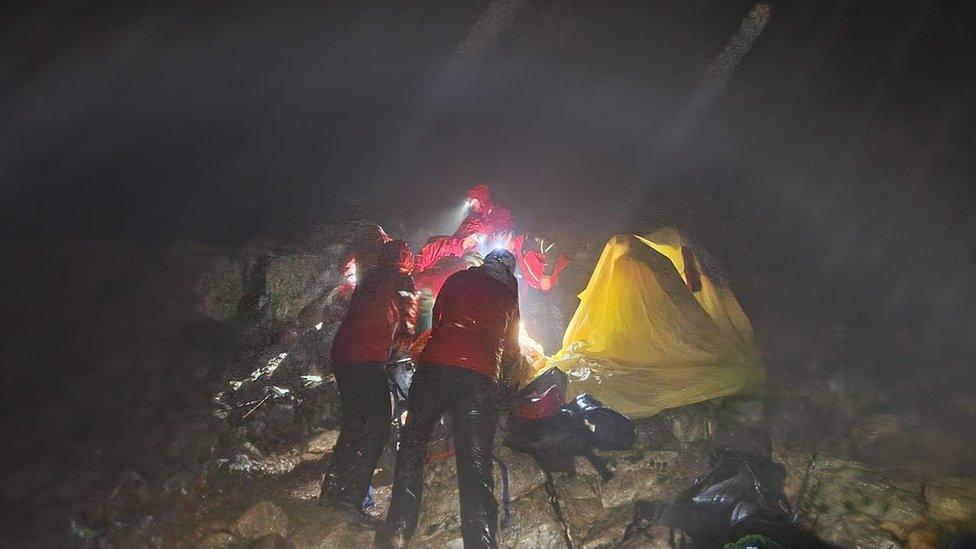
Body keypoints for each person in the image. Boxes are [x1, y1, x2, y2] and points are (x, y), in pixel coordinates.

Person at [377, 249, 522, 549]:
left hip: (436, 368)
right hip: (478, 377)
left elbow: (438, 317)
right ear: (509, 272)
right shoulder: (507, 295)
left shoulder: (458, 278)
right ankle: (480, 542)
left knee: (413, 444)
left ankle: (398, 530)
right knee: (476, 464)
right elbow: (511, 349)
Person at [320, 239, 418, 519]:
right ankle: (352, 499)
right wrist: (421, 341)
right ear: (406, 260)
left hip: (342, 354)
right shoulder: (404, 282)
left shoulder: (371, 277)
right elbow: (406, 332)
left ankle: (332, 491)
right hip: (366, 357)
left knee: (353, 424)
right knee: (376, 425)